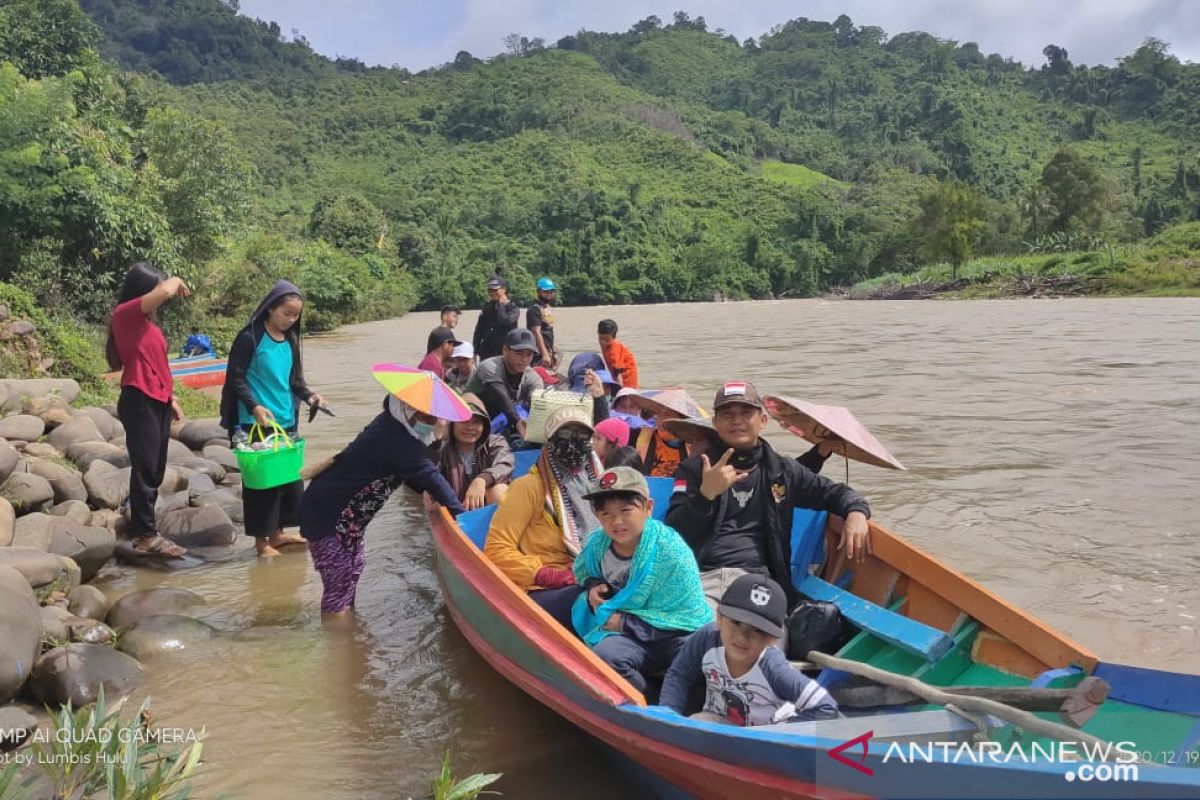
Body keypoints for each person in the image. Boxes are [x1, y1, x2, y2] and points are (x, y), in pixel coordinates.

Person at [666, 381, 872, 610]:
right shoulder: (694, 470)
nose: (736, 420)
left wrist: (856, 512)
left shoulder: (782, 471)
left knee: (763, 636)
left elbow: (834, 493)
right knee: (704, 629)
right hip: (704, 578)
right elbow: (674, 535)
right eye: (727, 414)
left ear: (762, 421)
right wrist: (706, 495)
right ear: (715, 423)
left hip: (761, 582)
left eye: (745, 413)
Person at [300, 394, 465, 620]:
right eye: (426, 415)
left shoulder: (393, 425)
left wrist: (435, 439)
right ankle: (338, 641)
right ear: (407, 409)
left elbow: (416, 475)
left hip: (348, 521)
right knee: (338, 583)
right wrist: (463, 519)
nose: (431, 421)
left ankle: (351, 630)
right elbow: (430, 476)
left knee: (354, 568)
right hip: (327, 515)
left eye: (434, 416)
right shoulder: (395, 438)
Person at [571, 467, 712, 694]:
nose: (617, 521)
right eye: (605, 514)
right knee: (606, 657)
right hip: (629, 638)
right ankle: (647, 701)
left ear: (648, 508)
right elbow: (584, 572)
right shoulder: (598, 544)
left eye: (626, 510)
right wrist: (592, 586)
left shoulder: (671, 550)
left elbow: (686, 617)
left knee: (704, 657)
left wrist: (625, 623)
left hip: (675, 636)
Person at [220, 279, 324, 558]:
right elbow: (236, 378)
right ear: (269, 309)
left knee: (289, 481)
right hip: (256, 423)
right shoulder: (250, 338)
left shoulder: (290, 340)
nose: (291, 319)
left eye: (295, 315)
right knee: (261, 484)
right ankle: (260, 542)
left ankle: (277, 534)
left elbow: (294, 381)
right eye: (286, 313)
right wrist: (254, 406)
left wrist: (311, 396)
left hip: (285, 420)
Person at [659, 575, 838, 726]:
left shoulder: (773, 666)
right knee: (696, 723)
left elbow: (826, 706)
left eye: (757, 630)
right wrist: (668, 716)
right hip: (720, 724)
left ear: (772, 639)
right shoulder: (707, 638)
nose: (742, 637)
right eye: (736, 623)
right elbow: (679, 674)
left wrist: (780, 732)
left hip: (766, 735)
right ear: (720, 618)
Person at [483, 406, 601, 626]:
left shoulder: (595, 485)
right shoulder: (528, 487)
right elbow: (496, 550)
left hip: (588, 577)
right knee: (591, 599)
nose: (574, 442)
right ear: (551, 441)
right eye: (564, 435)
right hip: (545, 587)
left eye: (582, 435)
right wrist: (547, 575)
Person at [105, 262, 190, 558]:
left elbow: (157, 366)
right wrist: (174, 280)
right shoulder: (125, 314)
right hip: (138, 400)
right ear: (143, 291)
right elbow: (166, 291)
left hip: (156, 399)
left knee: (154, 469)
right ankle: (145, 535)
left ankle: (142, 523)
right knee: (145, 468)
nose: (161, 293)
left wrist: (171, 397)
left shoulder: (148, 327)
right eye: (155, 288)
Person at [463, 328, 544, 447]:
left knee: (523, 410)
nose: (524, 359)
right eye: (519, 353)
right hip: (471, 420)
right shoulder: (490, 367)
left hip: (505, 421)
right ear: (505, 350)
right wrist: (517, 422)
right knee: (514, 411)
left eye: (529, 354)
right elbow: (500, 396)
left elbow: (539, 403)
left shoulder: (532, 378)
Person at [432, 393, 514, 510]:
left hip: (486, 509)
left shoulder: (495, 443)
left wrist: (482, 480)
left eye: (476, 422)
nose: (470, 428)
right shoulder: (442, 446)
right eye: (464, 421)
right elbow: (428, 470)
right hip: (454, 509)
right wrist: (438, 435)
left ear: (484, 425)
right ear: (453, 423)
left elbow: (505, 465)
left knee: (500, 490)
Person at [630, 389, 704, 479]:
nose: (660, 419)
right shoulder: (640, 436)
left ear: (682, 419)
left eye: (667, 415)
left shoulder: (696, 444)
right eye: (659, 413)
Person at [472, 276, 520, 360]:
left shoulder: (513, 308)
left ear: (504, 289)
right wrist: (474, 351)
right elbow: (479, 331)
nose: (492, 293)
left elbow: (505, 322)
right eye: (490, 290)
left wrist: (501, 306)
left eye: (495, 290)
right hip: (487, 352)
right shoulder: (487, 307)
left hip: (505, 352)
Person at [527, 277, 558, 369]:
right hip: (538, 353)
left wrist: (553, 351)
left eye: (551, 292)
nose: (549, 294)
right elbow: (536, 332)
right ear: (539, 292)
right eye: (546, 292)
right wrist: (544, 354)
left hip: (548, 350)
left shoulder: (546, 308)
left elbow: (549, 331)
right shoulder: (534, 310)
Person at [598, 319, 639, 389]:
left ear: (614, 338)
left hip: (627, 376)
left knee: (625, 394)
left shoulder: (614, 348)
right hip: (617, 373)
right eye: (600, 338)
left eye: (607, 340)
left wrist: (620, 389)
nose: (603, 342)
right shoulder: (605, 344)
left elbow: (617, 371)